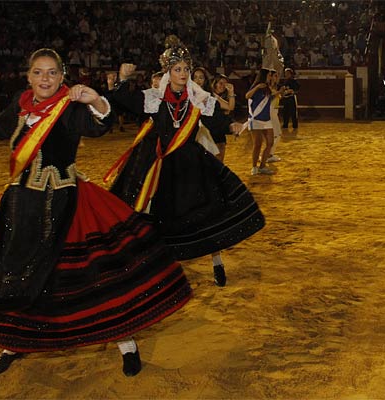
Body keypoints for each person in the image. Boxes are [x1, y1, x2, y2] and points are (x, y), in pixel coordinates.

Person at [0, 48, 193, 378]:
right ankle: (17, 342)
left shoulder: (69, 107)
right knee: (22, 274)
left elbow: (99, 126)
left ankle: (124, 339)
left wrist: (96, 100)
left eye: (52, 72)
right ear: (29, 76)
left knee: (92, 278)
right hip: (21, 206)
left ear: (62, 76)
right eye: (38, 72)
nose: (45, 79)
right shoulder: (21, 105)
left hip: (66, 205)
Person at [104, 36, 265, 287]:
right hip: (158, 165)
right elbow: (126, 101)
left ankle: (217, 262)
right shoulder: (154, 98)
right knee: (154, 216)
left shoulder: (198, 98)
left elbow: (216, 121)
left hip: (190, 165)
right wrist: (123, 80)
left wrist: (231, 125)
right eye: (177, 69)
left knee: (205, 214)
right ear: (168, 72)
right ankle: (157, 268)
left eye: (186, 69)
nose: (183, 73)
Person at [200, 74, 241, 162]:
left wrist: (231, 92)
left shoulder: (216, 96)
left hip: (218, 129)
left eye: (225, 84)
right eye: (220, 83)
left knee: (219, 156)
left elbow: (230, 107)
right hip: (209, 129)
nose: (223, 86)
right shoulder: (208, 94)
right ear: (214, 83)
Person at [246, 68, 277, 176]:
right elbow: (247, 96)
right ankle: (254, 166)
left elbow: (268, 99)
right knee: (257, 144)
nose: (270, 77)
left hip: (266, 119)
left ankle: (262, 166)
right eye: (269, 75)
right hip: (256, 119)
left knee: (270, 142)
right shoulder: (257, 86)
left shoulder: (267, 87)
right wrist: (258, 87)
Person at [280, 68, 300, 133]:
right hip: (285, 98)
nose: (286, 75)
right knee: (285, 112)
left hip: (291, 98)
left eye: (287, 73)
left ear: (291, 74)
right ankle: (285, 124)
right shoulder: (285, 81)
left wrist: (291, 91)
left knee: (293, 112)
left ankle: (295, 125)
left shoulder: (294, 81)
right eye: (285, 73)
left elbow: (297, 90)